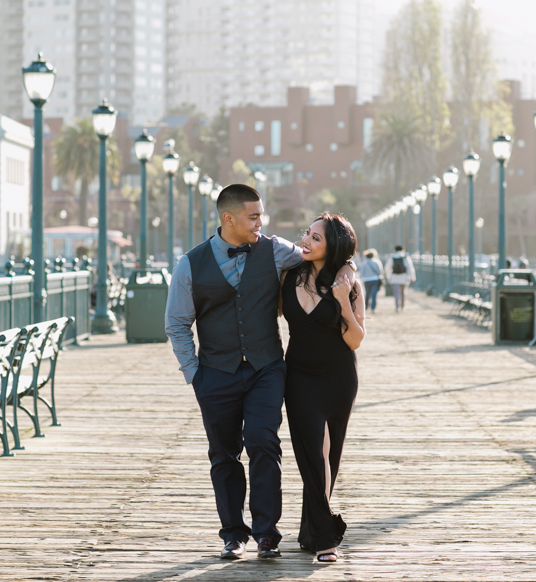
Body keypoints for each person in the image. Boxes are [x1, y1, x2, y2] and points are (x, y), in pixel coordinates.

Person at [164, 184, 355, 561]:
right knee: (223, 455)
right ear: (228, 218)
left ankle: (267, 533)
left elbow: (319, 253)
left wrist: (346, 265)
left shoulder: (275, 249)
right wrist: (194, 374)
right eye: (254, 217)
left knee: (263, 442)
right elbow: (176, 324)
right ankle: (233, 534)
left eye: (262, 215)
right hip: (214, 372)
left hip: (267, 368)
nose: (261, 223)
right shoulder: (189, 264)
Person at [280, 213, 365, 563]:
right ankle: (326, 537)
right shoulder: (288, 275)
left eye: (316, 238)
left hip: (339, 377)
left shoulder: (348, 282)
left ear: (333, 247)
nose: (306, 241)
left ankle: (310, 530)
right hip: (298, 376)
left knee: (329, 455)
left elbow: (356, 340)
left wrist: (344, 301)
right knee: (312, 455)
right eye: (307, 234)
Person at [385, 245, 415, 312]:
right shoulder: (405, 257)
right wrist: (412, 277)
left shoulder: (392, 257)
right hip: (404, 277)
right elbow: (410, 267)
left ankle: (397, 307)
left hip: (394, 278)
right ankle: (402, 307)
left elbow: (387, 268)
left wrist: (388, 277)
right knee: (403, 293)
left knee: (396, 293)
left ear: (395, 250)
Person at [358, 249, 383, 313]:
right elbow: (380, 272)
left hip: (366, 280)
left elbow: (361, 274)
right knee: (374, 294)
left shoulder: (364, 263)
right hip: (375, 279)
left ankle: (365, 307)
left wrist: (360, 279)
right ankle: (373, 308)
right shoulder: (377, 262)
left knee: (367, 294)